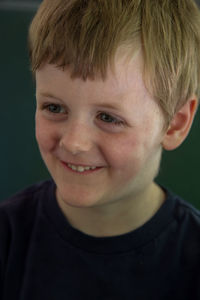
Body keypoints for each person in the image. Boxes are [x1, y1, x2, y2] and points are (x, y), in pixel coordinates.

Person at [1, 0, 200, 299]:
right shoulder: (8, 239)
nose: (73, 142)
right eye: (54, 107)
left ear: (175, 125)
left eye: (108, 118)